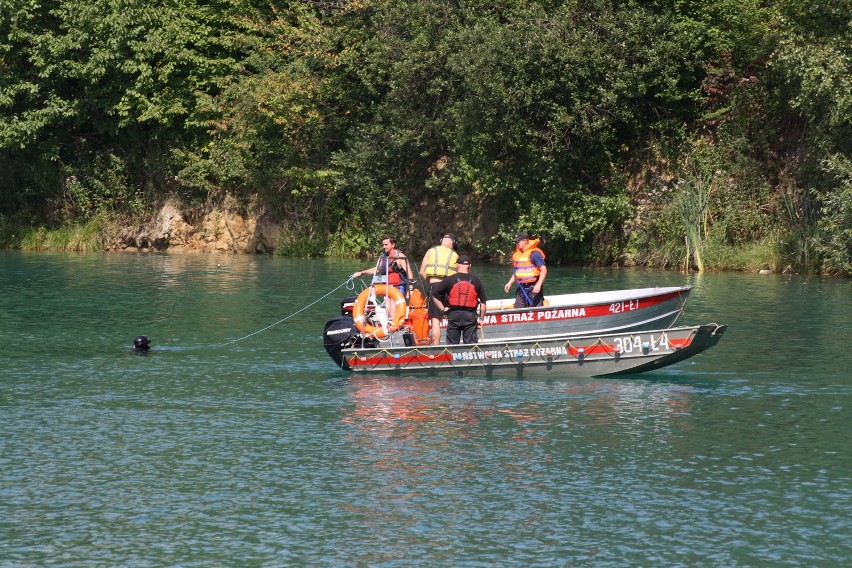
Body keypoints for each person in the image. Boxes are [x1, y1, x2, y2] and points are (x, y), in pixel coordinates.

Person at [430, 255, 487, 344]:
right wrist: (481, 319)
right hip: (470, 316)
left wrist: (442, 309)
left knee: (452, 345)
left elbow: (434, 294)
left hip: (453, 315)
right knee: (471, 345)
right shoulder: (477, 281)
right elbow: (483, 304)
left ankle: (452, 356)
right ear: (470, 266)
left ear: (457, 265)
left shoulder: (449, 279)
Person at [419, 233, 459, 345]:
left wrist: (431, 283)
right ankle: (453, 345)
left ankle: (436, 349)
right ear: (452, 242)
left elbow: (422, 272)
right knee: (453, 317)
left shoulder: (430, 251)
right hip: (450, 289)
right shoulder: (455, 255)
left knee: (435, 320)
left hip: (435, 287)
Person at [503, 232, 547, 308]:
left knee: (536, 310)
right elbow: (518, 272)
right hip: (522, 288)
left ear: (525, 241)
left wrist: (538, 285)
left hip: (533, 287)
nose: (517, 243)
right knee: (518, 309)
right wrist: (510, 282)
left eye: (518, 241)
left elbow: (544, 270)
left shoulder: (534, 254)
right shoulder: (519, 254)